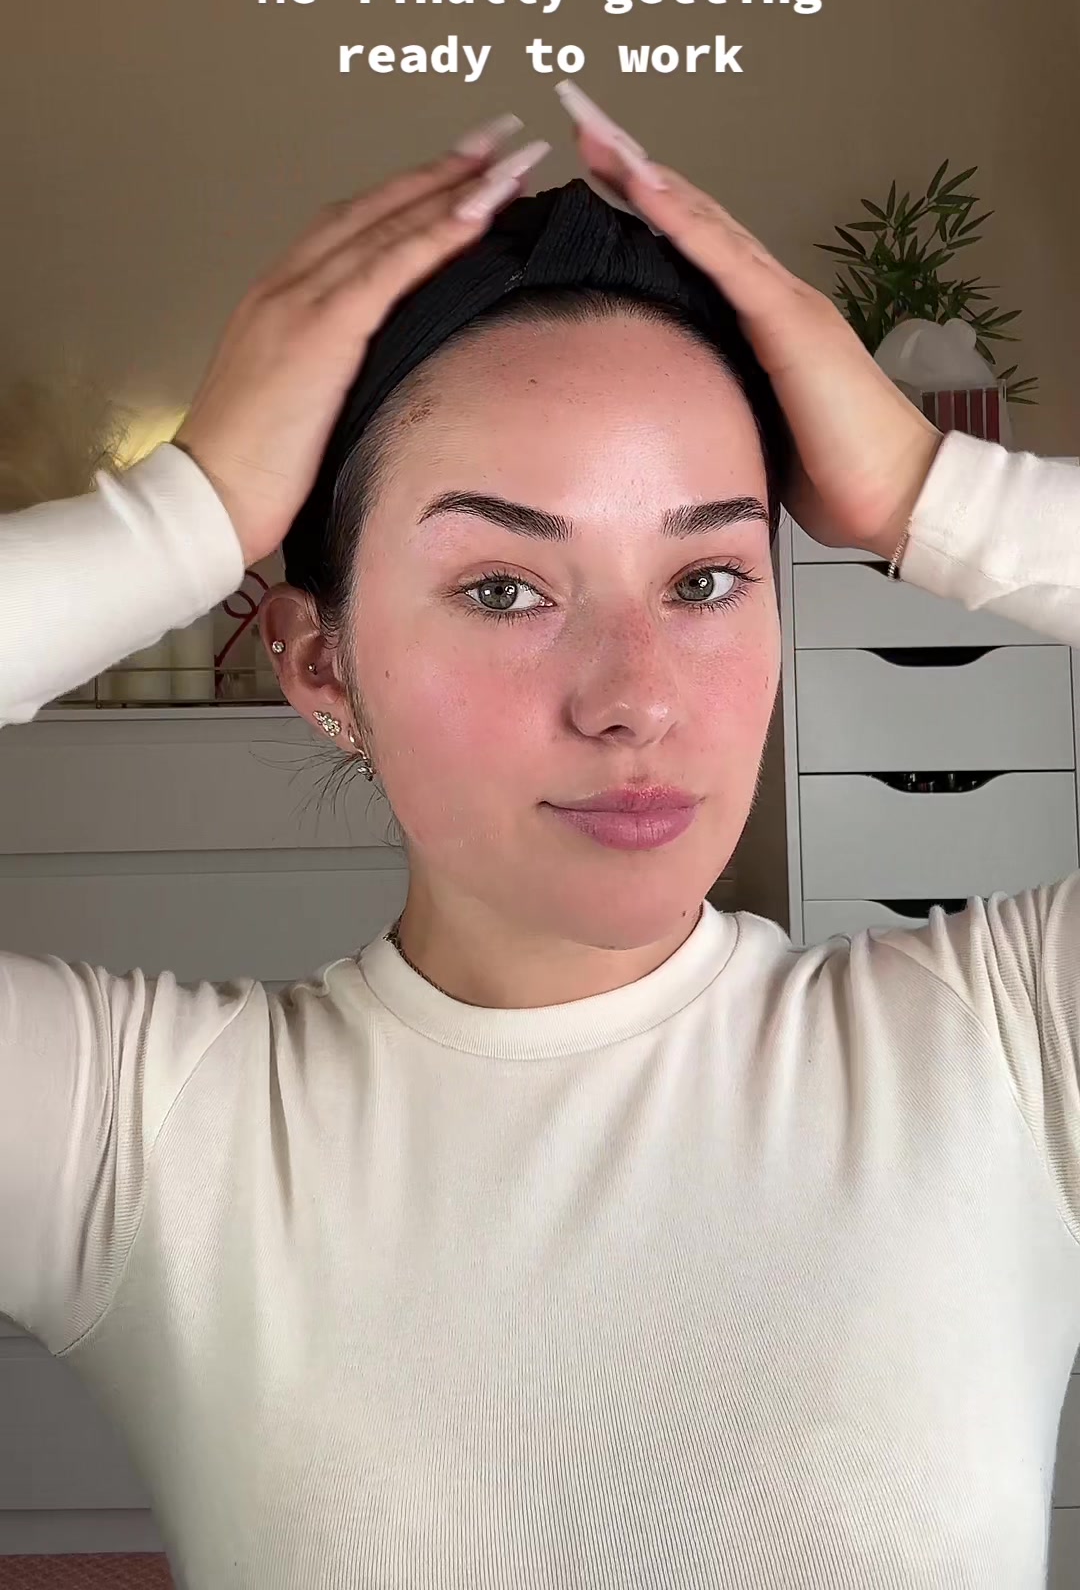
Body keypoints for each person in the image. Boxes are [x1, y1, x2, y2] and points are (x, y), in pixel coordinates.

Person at [1, 83, 1078, 1590]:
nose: (637, 698)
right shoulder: (130, 1137)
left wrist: (927, 489)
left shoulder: (1015, 1046)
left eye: (706, 579)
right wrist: (181, 519)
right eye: (505, 589)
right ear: (321, 667)